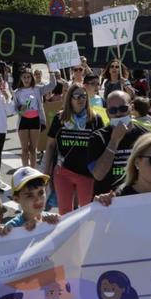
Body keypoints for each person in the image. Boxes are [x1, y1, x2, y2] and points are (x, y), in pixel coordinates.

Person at [44, 84, 106, 214]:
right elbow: (50, 146)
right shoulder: (60, 118)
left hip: (87, 174)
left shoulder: (95, 119)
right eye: (76, 96)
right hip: (63, 172)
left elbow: (102, 148)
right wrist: (46, 170)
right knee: (65, 212)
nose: (80, 99)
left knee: (86, 212)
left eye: (83, 96)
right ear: (69, 99)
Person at [87, 91, 147, 196]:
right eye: (113, 110)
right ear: (107, 113)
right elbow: (98, 175)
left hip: (138, 199)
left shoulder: (145, 136)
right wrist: (114, 141)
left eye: (123, 109)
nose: (118, 114)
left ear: (131, 108)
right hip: (107, 201)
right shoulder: (97, 137)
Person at [14, 68, 55, 169]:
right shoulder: (17, 92)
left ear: (31, 78)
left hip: (35, 119)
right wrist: (21, 109)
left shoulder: (37, 89)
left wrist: (51, 72)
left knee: (33, 148)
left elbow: (52, 85)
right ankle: (25, 169)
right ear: (21, 78)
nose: (26, 79)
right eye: (24, 77)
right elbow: (14, 108)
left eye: (28, 77)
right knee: (24, 149)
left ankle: (33, 170)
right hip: (23, 120)